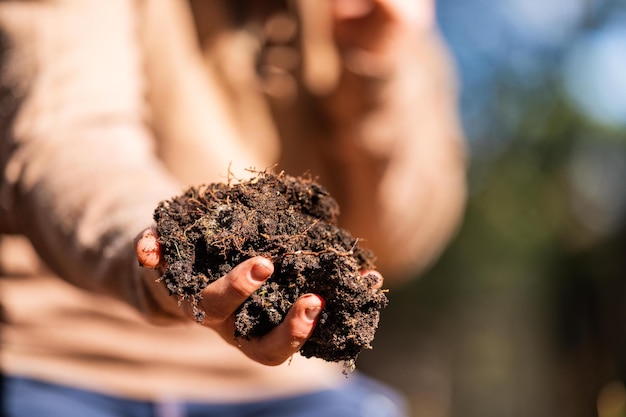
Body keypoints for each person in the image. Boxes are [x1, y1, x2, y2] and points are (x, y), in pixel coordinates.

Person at [0, 0, 466, 416]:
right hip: (63, 357)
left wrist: (376, 62)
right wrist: (176, 250)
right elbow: (68, 140)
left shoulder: (379, 18)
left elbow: (394, 243)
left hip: (284, 381)